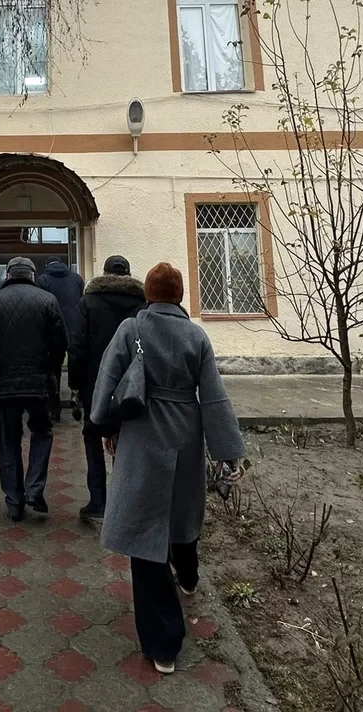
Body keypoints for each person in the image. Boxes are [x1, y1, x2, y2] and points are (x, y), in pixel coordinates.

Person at [90, 262, 244, 674]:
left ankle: (163, 645)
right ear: (179, 296)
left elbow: (108, 380)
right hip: (185, 433)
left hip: (142, 433)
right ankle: (189, 575)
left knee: (144, 529)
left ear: (149, 294)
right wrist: (227, 451)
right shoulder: (196, 335)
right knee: (182, 510)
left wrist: (105, 423)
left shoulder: (131, 329)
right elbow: (214, 395)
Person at [0, 255, 68, 521]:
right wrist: (49, 367)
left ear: (8, 275)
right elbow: (60, 342)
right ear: (32, 275)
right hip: (39, 382)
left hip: (4, 383)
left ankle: (14, 501)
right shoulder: (48, 300)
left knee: (8, 440)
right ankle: (35, 489)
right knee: (42, 432)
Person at [67, 254, 145, 524]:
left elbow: (78, 347)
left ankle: (98, 502)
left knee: (92, 438)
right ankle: (124, 504)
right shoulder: (142, 304)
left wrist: (76, 385)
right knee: (127, 442)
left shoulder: (88, 302)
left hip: (96, 382)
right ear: (128, 274)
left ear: (105, 273)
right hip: (132, 385)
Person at [36, 257, 84, 422]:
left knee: (53, 369)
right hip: (75, 326)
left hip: (52, 329)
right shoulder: (76, 278)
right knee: (75, 363)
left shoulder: (42, 279)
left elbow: (40, 305)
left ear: (47, 265)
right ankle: (75, 392)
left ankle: (54, 409)